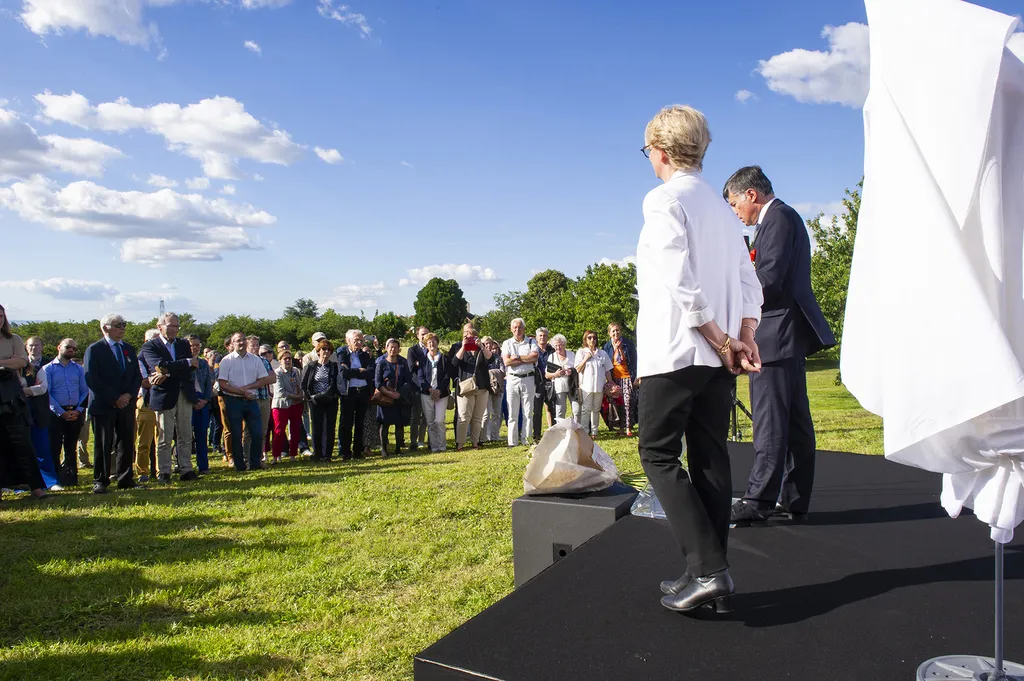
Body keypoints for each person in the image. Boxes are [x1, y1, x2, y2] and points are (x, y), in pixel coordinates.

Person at [635, 105, 762, 612]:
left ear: (660, 152)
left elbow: (679, 280)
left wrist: (719, 337)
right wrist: (742, 336)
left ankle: (709, 570)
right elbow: (749, 282)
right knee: (709, 455)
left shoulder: (664, 199)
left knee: (658, 455)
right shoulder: (721, 208)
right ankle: (708, 571)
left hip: (677, 351)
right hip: (718, 356)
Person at [723, 165, 836, 524]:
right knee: (796, 422)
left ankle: (758, 502)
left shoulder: (778, 220)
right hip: (786, 335)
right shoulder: (782, 219)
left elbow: (768, 278)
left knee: (771, 423)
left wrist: (731, 294)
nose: (735, 212)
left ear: (751, 195)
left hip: (773, 336)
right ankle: (794, 497)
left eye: (734, 203)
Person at [83, 313, 145, 494]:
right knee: (103, 443)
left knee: (126, 441)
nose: (122, 328)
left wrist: (128, 395)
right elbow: (92, 378)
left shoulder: (128, 348)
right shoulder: (95, 349)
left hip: (126, 405)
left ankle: (125, 478)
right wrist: (114, 398)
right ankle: (101, 480)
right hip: (104, 405)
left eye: (124, 325)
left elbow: (136, 376)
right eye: (118, 325)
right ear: (105, 328)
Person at [141, 312, 199, 483]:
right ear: (160, 327)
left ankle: (186, 469)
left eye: (177, 326)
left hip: (184, 393)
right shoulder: (150, 346)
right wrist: (185, 363)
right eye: (170, 326)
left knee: (185, 434)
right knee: (164, 436)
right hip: (164, 395)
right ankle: (164, 471)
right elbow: (160, 366)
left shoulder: (182, 344)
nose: (174, 329)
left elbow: (189, 367)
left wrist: (169, 371)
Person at [0, 304, 48, 501]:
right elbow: (14, 362)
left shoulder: (14, 339)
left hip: (11, 394)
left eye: (2, 316)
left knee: (22, 442)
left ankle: (36, 487)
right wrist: (6, 362)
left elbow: (21, 361)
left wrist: (4, 364)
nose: (0, 319)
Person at [217, 331, 274, 472]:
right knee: (236, 433)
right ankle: (240, 464)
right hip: (233, 400)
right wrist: (242, 392)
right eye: (238, 340)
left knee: (257, 433)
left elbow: (263, 379)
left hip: (251, 400)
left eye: (243, 340)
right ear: (232, 343)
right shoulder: (227, 361)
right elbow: (223, 384)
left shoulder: (255, 360)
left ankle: (255, 463)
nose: (241, 343)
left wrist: (249, 388)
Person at [42, 337, 88, 487]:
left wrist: (79, 410)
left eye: (74, 349)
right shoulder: (48, 369)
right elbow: (47, 393)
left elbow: (84, 390)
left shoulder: (78, 369)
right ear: (59, 347)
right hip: (55, 414)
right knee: (54, 447)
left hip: (75, 412)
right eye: (68, 347)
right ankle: (54, 480)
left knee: (71, 447)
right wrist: (61, 412)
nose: (71, 350)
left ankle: (70, 478)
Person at [24, 337, 61, 490]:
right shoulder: (19, 364)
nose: (33, 348)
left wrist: (22, 391)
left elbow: (42, 388)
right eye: (30, 346)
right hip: (21, 412)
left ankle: (50, 481)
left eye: (36, 345)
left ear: (42, 347)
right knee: (24, 449)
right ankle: (24, 482)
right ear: (26, 348)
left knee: (43, 448)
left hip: (40, 411)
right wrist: (31, 390)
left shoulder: (47, 365)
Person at [450, 323, 494, 450]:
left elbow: (491, 359)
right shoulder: (459, 347)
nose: (469, 338)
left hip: (482, 386)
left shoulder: (482, 348)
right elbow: (455, 362)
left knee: (477, 417)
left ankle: (475, 442)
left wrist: (481, 345)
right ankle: (460, 444)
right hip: (466, 387)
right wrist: (464, 347)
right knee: (463, 417)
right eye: (466, 336)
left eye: (472, 336)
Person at [501, 318, 539, 447]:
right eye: (515, 328)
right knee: (512, 412)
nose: (517, 330)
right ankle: (512, 441)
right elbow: (507, 362)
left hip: (528, 378)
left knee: (528, 411)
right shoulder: (507, 343)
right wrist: (525, 359)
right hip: (512, 379)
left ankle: (526, 439)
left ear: (524, 329)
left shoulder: (531, 341)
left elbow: (534, 357)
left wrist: (517, 357)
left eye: (520, 327)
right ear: (511, 329)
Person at [301, 339, 340, 462]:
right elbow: (304, 384)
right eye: (324, 349)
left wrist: (330, 394)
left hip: (330, 400)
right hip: (315, 401)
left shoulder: (334, 366)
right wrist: (310, 398)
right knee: (316, 427)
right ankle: (317, 453)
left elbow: (336, 384)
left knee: (329, 427)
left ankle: (327, 454)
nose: (326, 352)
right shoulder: (311, 366)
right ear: (318, 351)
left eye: (329, 350)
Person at [338, 330, 373, 461]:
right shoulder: (342, 352)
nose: (359, 343)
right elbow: (344, 373)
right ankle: (345, 452)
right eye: (355, 340)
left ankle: (358, 451)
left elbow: (370, 372)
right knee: (346, 423)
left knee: (360, 422)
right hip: (349, 392)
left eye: (360, 340)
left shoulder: (364, 355)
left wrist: (353, 371)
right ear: (348, 340)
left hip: (363, 391)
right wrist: (359, 371)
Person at [374, 338, 411, 458]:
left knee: (399, 424)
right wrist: (389, 393)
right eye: (391, 347)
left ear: (399, 349)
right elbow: (377, 382)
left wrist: (399, 393)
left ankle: (398, 449)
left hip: (399, 396)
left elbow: (408, 381)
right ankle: (384, 449)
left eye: (395, 347)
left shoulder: (403, 363)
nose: (393, 349)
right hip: (385, 397)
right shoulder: (381, 363)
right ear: (386, 348)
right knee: (384, 424)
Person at [415, 333, 452, 452]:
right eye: (429, 342)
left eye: (434, 341)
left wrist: (438, 391)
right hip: (427, 394)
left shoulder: (444, 359)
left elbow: (447, 376)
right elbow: (420, 377)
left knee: (439, 420)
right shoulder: (422, 360)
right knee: (430, 422)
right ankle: (434, 446)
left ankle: (442, 445)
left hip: (442, 394)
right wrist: (430, 390)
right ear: (426, 345)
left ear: (437, 343)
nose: (432, 344)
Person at [575, 331, 612, 438]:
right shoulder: (581, 352)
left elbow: (607, 370)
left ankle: (595, 432)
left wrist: (610, 383)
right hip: (586, 386)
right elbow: (577, 369)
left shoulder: (602, 353)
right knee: (586, 410)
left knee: (596, 409)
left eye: (594, 338)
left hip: (599, 387)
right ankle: (585, 432)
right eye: (589, 338)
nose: (592, 340)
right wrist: (586, 358)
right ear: (585, 339)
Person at [603, 322, 638, 436]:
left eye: (617, 330)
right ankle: (620, 428)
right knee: (618, 403)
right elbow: (607, 363)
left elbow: (634, 361)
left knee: (628, 402)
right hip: (614, 378)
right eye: (613, 331)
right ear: (609, 333)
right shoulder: (607, 346)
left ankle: (628, 427)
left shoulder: (628, 344)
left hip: (627, 377)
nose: (615, 333)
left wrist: (636, 377)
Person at [135, 329, 161, 483]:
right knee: (144, 441)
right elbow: (145, 382)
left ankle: (160, 470)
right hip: (146, 403)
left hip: (162, 402)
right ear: (146, 342)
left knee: (161, 440)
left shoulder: (161, 358)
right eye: (154, 339)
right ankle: (142, 471)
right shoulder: (139, 359)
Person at [188, 335, 214, 474]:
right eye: (192, 345)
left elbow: (208, 384)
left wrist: (206, 399)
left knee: (201, 435)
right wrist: (192, 401)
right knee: (185, 436)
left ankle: (203, 466)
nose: (195, 348)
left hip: (203, 402)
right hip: (188, 402)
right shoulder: (183, 363)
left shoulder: (203, 363)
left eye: (197, 345)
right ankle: (183, 465)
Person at [272, 350, 304, 462]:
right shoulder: (277, 373)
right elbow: (280, 392)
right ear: (280, 361)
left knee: (295, 430)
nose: (287, 361)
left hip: (295, 405)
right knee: (279, 431)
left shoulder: (296, 371)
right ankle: (276, 456)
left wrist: (301, 395)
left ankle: (293, 455)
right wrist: (296, 397)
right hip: (281, 405)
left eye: (289, 358)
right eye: (285, 359)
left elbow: (300, 385)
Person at [406, 326, 430, 451]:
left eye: (426, 334)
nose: (424, 336)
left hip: (429, 386)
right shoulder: (412, 350)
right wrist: (419, 363)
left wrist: (418, 363)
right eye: (422, 334)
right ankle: (413, 441)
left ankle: (422, 439)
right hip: (416, 387)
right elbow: (410, 367)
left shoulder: (432, 348)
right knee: (415, 416)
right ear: (417, 336)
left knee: (426, 417)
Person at [545, 334, 578, 423]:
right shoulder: (551, 357)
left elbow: (578, 369)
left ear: (564, 344)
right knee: (560, 411)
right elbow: (547, 375)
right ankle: (560, 431)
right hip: (559, 387)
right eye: (556, 345)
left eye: (560, 344)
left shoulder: (572, 355)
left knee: (576, 410)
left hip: (572, 386)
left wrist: (571, 371)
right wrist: (556, 374)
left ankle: (577, 431)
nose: (558, 347)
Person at [532, 327, 556, 439]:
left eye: (544, 335)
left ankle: (553, 432)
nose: (542, 337)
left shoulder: (552, 350)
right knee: (537, 410)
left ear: (547, 337)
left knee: (551, 408)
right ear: (536, 337)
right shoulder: (532, 350)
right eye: (540, 335)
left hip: (550, 382)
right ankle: (536, 434)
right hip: (536, 383)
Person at [482, 337, 505, 443]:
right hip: (486, 389)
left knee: (497, 413)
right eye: (486, 343)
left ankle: (494, 435)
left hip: (498, 388)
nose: (488, 346)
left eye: (490, 343)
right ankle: (484, 436)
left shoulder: (498, 357)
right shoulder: (481, 357)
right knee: (486, 414)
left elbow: (502, 371)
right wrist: (493, 373)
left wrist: (490, 373)